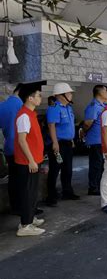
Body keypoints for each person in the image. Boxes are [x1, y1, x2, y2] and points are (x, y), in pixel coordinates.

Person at [14, 80, 47, 236]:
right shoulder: (23, 116)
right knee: (27, 192)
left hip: (34, 160)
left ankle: (30, 218)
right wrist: (31, 160)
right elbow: (22, 140)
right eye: (38, 96)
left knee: (32, 191)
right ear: (30, 98)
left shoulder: (30, 114)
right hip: (27, 161)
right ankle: (25, 226)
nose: (40, 98)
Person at [45, 82, 79, 207]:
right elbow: (51, 126)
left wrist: (72, 140)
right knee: (55, 170)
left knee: (67, 169)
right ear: (61, 95)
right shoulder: (54, 108)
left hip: (68, 144)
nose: (71, 95)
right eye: (69, 93)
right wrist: (54, 143)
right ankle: (51, 196)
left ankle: (67, 192)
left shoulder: (68, 108)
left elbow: (69, 126)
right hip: (58, 144)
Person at [0, 83, 24, 215]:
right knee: (24, 180)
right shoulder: (22, 106)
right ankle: (25, 207)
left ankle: (16, 206)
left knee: (14, 179)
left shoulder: (2, 106)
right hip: (22, 148)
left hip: (9, 147)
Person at [82, 85, 107, 196]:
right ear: (99, 93)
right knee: (96, 165)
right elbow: (88, 123)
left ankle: (98, 185)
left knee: (101, 164)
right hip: (95, 141)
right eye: (105, 91)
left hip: (101, 141)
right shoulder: (94, 106)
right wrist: (84, 131)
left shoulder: (102, 105)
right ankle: (93, 187)